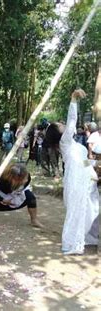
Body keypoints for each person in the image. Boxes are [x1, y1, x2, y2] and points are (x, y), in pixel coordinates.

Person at [60, 90, 99, 254]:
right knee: (75, 211)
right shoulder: (65, 143)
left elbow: (83, 162)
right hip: (75, 181)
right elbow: (71, 121)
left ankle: (85, 237)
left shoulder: (76, 147)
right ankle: (71, 243)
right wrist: (73, 100)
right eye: (60, 126)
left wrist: (96, 164)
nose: (64, 126)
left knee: (92, 209)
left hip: (87, 180)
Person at [0, 163, 43, 228]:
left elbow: (24, 187)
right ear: (13, 178)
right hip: (1, 196)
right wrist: (2, 199)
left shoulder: (27, 177)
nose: (26, 180)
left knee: (31, 197)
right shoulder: (2, 179)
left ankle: (34, 220)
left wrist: (16, 193)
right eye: (23, 179)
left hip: (16, 193)